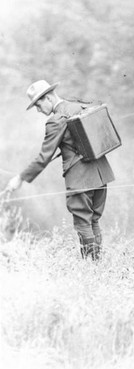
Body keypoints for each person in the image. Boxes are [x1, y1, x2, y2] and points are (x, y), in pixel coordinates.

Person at [2, 80, 115, 260]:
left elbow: (44, 157)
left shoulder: (55, 120)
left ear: (47, 97)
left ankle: (92, 268)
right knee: (93, 221)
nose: (39, 111)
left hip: (80, 180)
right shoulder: (80, 107)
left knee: (83, 224)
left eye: (38, 106)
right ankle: (97, 263)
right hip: (101, 175)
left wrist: (20, 178)